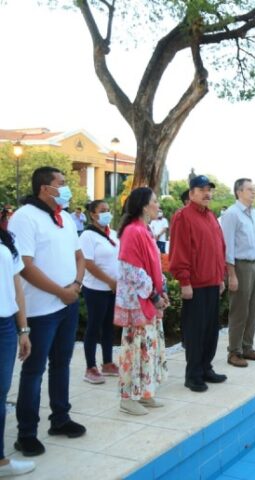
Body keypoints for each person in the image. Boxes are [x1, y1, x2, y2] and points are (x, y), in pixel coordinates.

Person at [8, 166, 86, 457]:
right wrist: (60, 291)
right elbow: (25, 266)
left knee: (62, 363)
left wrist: (76, 285)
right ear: (45, 188)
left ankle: (60, 418)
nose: (67, 188)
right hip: (41, 310)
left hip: (68, 304)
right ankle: (26, 432)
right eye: (61, 184)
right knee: (34, 370)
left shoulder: (64, 217)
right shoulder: (25, 218)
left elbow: (79, 255)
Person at [170, 175, 227, 393]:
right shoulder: (183, 217)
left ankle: (206, 368)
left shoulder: (211, 216)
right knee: (195, 331)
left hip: (212, 283)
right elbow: (180, 251)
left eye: (209, 190)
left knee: (211, 330)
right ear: (192, 192)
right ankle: (193, 375)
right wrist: (184, 281)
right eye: (202, 189)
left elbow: (219, 248)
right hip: (195, 286)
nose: (207, 193)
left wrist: (220, 276)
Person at [114, 188, 168, 416]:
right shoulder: (133, 231)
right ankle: (127, 397)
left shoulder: (145, 230)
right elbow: (131, 270)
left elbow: (154, 265)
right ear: (145, 206)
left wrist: (161, 289)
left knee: (147, 347)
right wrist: (153, 295)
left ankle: (145, 392)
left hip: (148, 299)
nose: (158, 205)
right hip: (137, 302)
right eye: (155, 202)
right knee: (134, 350)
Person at [0, 223, 35, 476]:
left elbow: (16, 288)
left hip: (5, 326)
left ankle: (1, 462)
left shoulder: (6, 239)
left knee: (0, 392)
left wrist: (23, 329)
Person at [220, 178, 255, 368]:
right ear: (239, 192)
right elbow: (227, 246)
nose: (253, 192)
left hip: (252, 265)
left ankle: (247, 347)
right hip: (239, 265)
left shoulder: (253, 213)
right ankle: (234, 352)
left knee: (252, 309)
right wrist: (232, 274)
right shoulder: (232, 214)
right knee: (239, 310)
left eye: (254, 189)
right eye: (249, 189)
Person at [80, 200, 120, 384]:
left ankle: (108, 362)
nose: (106, 213)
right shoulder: (87, 236)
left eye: (108, 210)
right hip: (96, 289)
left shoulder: (112, 234)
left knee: (108, 327)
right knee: (94, 328)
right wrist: (109, 281)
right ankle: (90, 367)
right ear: (93, 215)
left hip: (113, 289)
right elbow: (88, 263)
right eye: (102, 211)